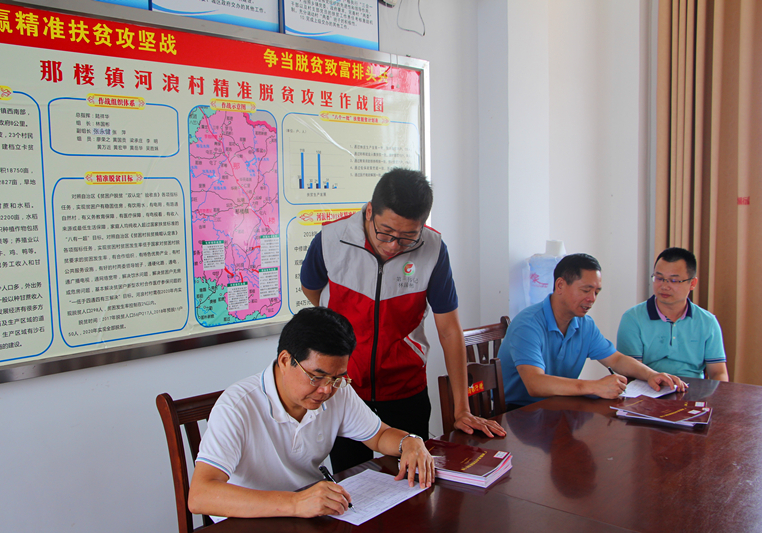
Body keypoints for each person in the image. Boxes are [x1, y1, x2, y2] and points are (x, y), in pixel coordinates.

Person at [300, 168, 505, 473]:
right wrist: (339, 329)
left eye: (408, 237)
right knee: (352, 484)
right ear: (370, 211)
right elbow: (312, 289)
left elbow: (449, 330)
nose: (393, 245)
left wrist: (462, 408)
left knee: (413, 482)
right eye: (385, 232)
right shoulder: (331, 240)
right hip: (344, 389)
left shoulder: (433, 249)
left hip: (406, 388)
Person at [189, 307, 435, 520]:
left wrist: (409, 441)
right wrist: (296, 503)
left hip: (308, 517)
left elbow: (379, 436)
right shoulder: (237, 407)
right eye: (316, 377)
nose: (326, 389)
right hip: (251, 520)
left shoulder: (337, 391)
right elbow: (200, 495)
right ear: (285, 361)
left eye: (337, 378)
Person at [499, 253, 686, 408]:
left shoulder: (584, 324)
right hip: (518, 414)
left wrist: (651, 374)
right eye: (586, 290)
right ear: (560, 285)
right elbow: (535, 384)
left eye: (596, 292)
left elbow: (616, 359)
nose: (592, 299)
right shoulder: (528, 324)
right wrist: (594, 386)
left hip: (558, 406)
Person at [616, 247, 729, 381]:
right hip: (648, 385)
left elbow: (718, 373)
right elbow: (631, 371)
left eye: (674, 280)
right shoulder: (633, 319)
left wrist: (717, 394)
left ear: (692, 283)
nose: (664, 286)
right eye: (659, 278)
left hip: (693, 388)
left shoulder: (707, 322)